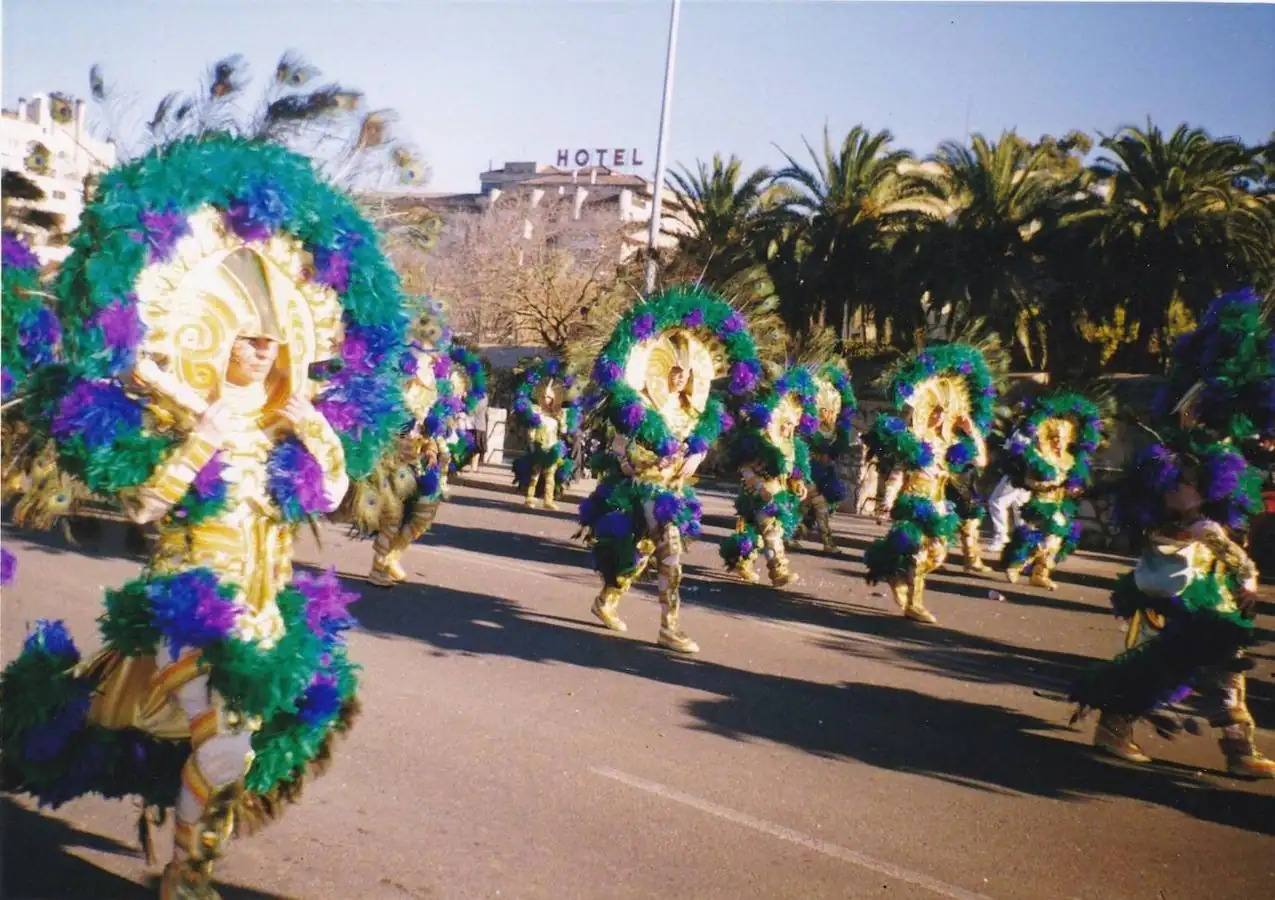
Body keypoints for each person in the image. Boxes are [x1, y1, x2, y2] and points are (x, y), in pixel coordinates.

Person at [0, 135, 407, 899]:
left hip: (261, 607)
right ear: (217, 338)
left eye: (270, 339)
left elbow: (325, 494)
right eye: (246, 338)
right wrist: (202, 438)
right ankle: (189, 874)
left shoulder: (288, 421)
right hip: (190, 597)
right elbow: (145, 504)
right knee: (220, 749)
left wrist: (307, 421)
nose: (259, 350)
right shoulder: (187, 416)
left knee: (235, 750)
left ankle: (192, 858)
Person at [578, 287, 760, 653]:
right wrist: (649, 459)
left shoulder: (693, 411)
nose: (679, 377)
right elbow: (623, 451)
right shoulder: (642, 404)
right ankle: (670, 627)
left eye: (686, 371)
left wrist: (697, 453)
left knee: (643, 553)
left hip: (675, 490)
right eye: (674, 369)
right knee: (670, 552)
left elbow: (698, 442)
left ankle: (607, 600)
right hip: (644, 491)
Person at [1072, 447, 1272, 778]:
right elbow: (1227, 554)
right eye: (1175, 483)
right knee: (1154, 672)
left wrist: (1246, 585)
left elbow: (1235, 558)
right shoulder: (1169, 525)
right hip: (1170, 609)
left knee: (1227, 675)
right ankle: (1113, 727)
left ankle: (1240, 750)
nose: (1181, 487)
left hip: (1211, 610)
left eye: (1189, 482)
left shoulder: (1205, 524)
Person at [863, 345, 997, 624]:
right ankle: (915, 603)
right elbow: (898, 473)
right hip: (913, 503)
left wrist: (972, 431)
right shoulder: (913, 441)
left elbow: (982, 462)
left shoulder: (950, 445)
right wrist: (887, 500)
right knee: (918, 553)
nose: (939, 416)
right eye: (935, 410)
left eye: (944, 411)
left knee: (937, 554)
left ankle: (894, 576)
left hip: (938, 506)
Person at [720, 366, 817, 587]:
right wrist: (758, 486)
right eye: (786, 423)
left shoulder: (793, 446)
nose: (788, 428)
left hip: (780, 494)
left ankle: (741, 560)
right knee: (771, 528)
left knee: (755, 534)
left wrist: (798, 483)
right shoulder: (758, 439)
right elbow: (744, 467)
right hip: (758, 494)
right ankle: (778, 569)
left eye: (793, 424)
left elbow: (794, 470)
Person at [471, 394, 489, 472]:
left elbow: (476, 410)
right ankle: (474, 467)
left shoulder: (483, 396)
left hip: (479, 426)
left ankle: (474, 467)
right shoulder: (473, 394)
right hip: (474, 425)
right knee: (474, 448)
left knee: (477, 447)